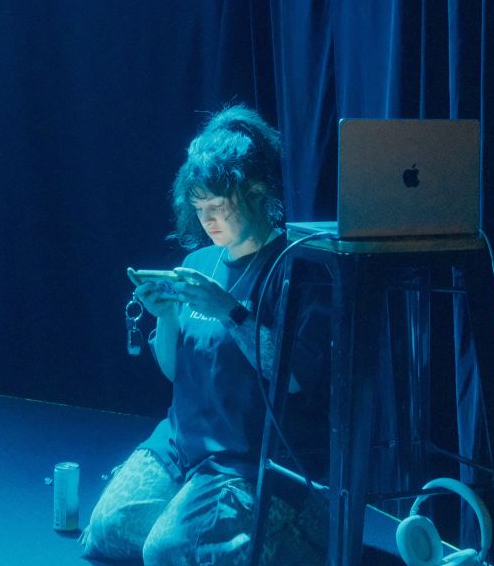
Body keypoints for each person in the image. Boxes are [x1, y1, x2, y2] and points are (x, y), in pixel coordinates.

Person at [81, 106, 327, 566]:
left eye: (218, 207)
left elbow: (293, 378)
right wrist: (167, 317)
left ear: (255, 194)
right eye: (200, 208)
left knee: (162, 550)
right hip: (181, 443)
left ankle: (289, 525)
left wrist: (231, 312)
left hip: (242, 457)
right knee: (105, 531)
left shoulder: (296, 268)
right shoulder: (197, 264)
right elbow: (175, 371)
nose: (207, 220)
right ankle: (221, 529)